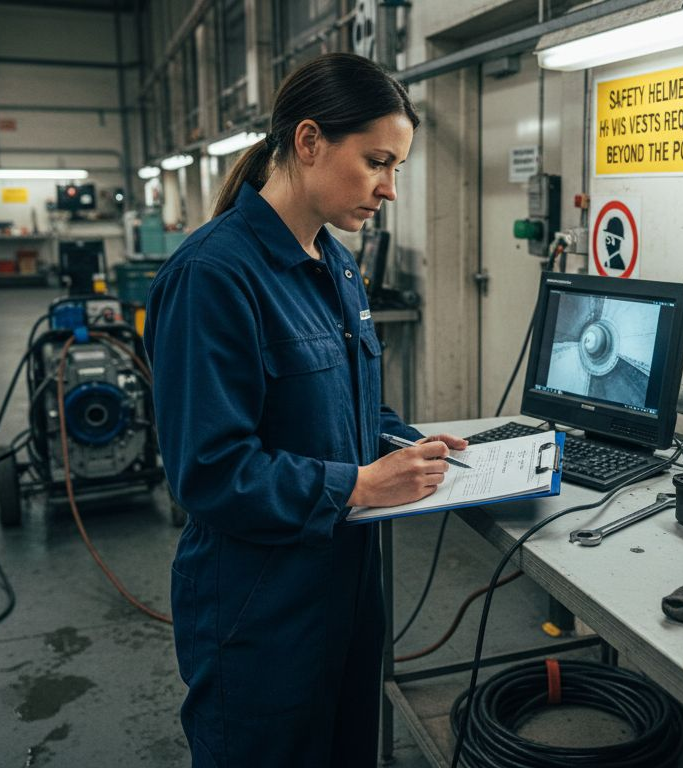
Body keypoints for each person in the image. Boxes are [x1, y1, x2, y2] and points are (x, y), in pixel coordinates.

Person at [144, 52, 468, 767]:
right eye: (377, 161)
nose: (388, 189)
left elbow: (345, 407)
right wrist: (356, 486)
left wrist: (406, 444)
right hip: (260, 611)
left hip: (345, 592)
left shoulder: (335, 262)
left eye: (398, 169)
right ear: (310, 140)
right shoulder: (213, 277)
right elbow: (209, 469)